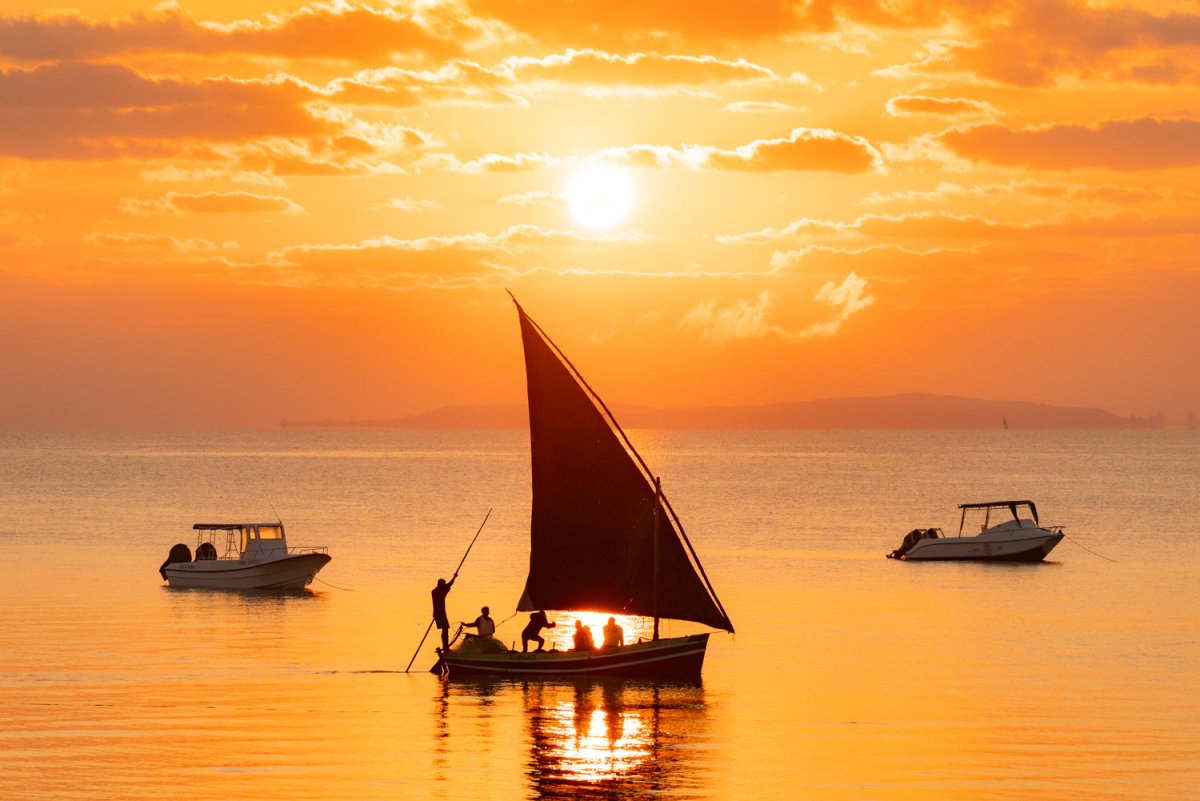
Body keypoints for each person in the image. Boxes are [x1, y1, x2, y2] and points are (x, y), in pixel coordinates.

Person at [431, 575, 456, 651]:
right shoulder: (436, 592)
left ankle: (445, 646)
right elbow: (448, 585)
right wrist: (454, 578)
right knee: (445, 629)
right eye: (443, 585)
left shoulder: (440, 591)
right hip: (438, 613)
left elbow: (449, 584)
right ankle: (445, 646)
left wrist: (454, 578)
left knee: (445, 629)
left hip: (441, 613)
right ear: (440, 585)